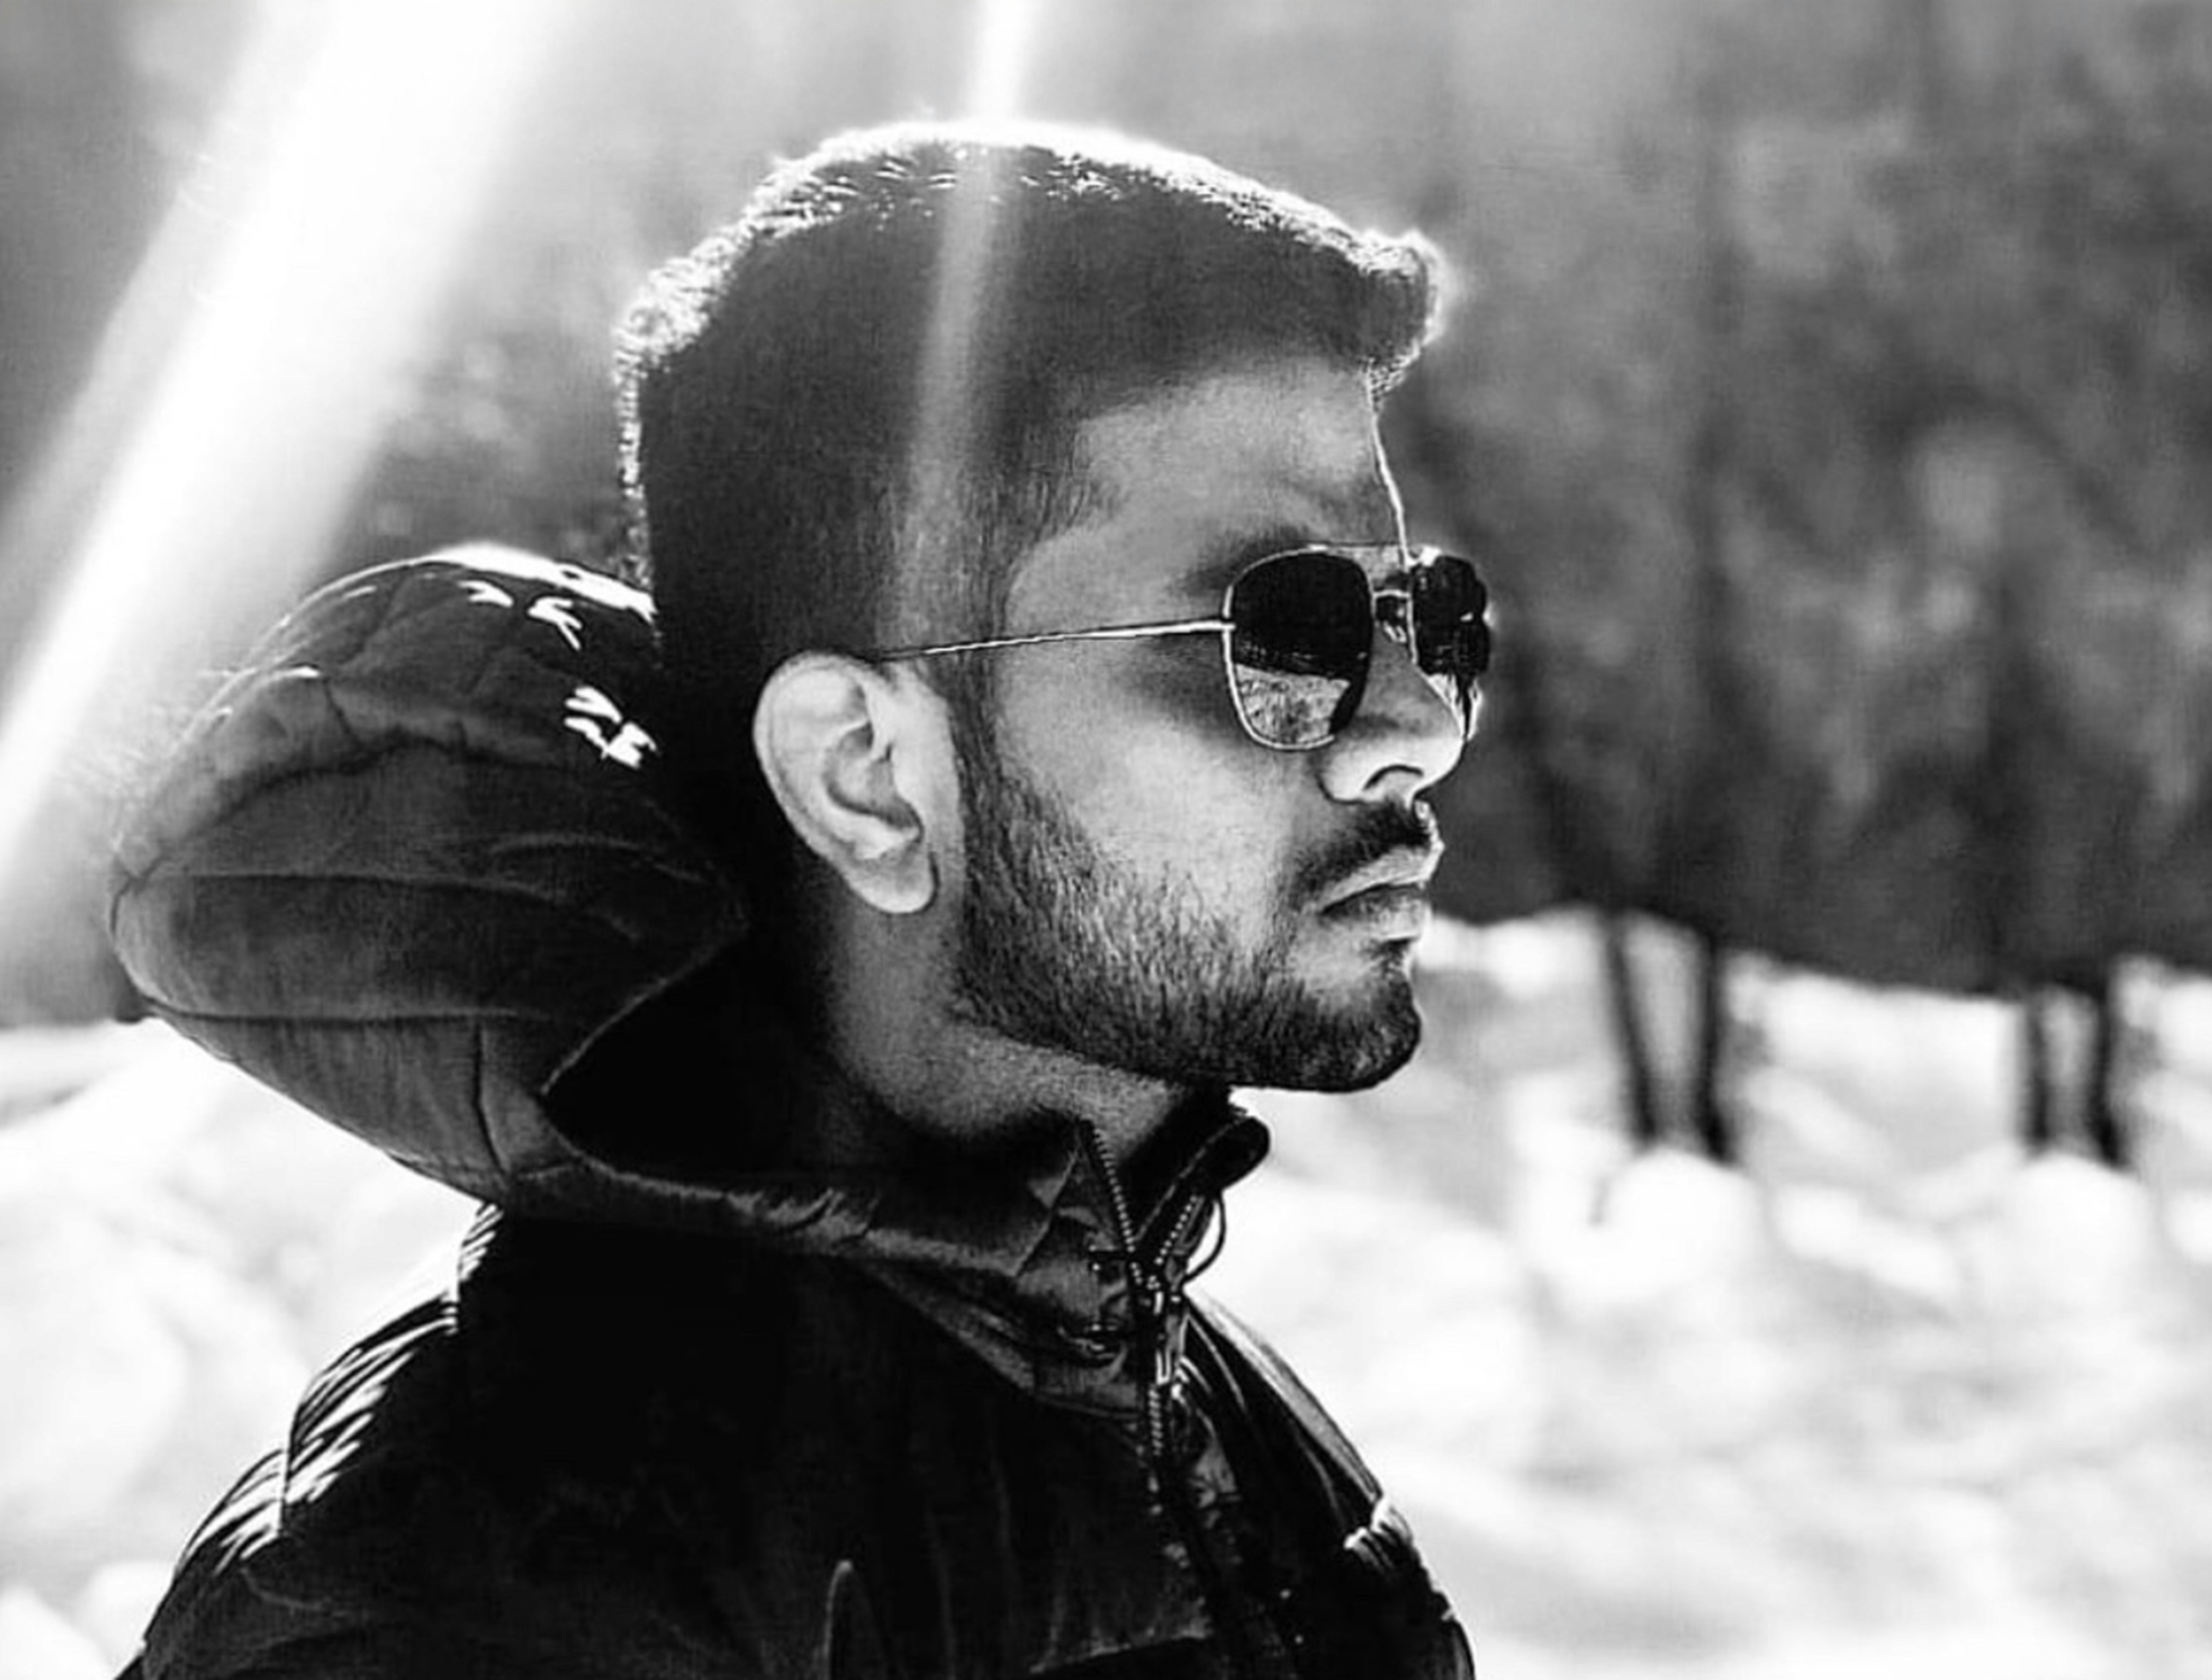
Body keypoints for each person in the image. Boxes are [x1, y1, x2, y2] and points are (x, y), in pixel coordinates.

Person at [108, 121, 1489, 1678]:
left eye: (1426, 619)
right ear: (866, 778)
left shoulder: (1214, 1425)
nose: (1418, 724)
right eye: (1282, 631)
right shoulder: (475, 1605)